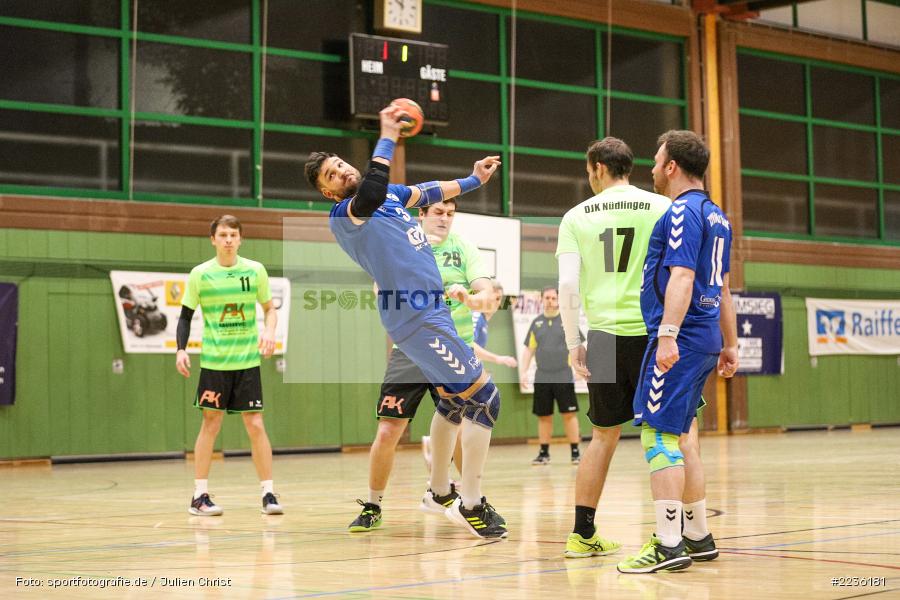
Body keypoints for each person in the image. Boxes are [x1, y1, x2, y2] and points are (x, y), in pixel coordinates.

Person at [304, 103, 507, 539]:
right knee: (486, 400)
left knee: (454, 404)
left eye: (340, 165)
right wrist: (387, 133)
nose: (341, 172)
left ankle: (438, 493)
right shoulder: (347, 214)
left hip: (432, 314)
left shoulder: (392, 196)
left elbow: (433, 191)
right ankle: (470, 502)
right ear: (328, 192)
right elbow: (374, 189)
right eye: (331, 176)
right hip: (414, 317)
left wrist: (475, 179)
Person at [617, 130, 738, 573]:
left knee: (657, 436)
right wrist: (729, 343)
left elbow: (684, 277)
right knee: (684, 436)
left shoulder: (683, 213)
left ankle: (668, 546)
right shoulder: (717, 216)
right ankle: (698, 536)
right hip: (705, 338)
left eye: (655, 159)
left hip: (680, 339)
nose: (650, 167)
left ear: (671, 167)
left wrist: (667, 334)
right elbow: (723, 288)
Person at [345, 196, 497, 533]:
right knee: (388, 429)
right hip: (412, 347)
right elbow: (378, 288)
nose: (445, 219)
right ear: (422, 214)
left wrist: (472, 299)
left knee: (462, 420)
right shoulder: (402, 243)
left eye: (450, 214)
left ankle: (463, 497)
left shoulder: (464, 248)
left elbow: (487, 294)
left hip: (453, 348)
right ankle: (373, 504)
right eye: (439, 212)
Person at [557, 137, 670, 558]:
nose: (589, 178)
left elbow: (567, 284)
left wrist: (574, 342)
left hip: (603, 335)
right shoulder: (661, 207)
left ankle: (582, 534)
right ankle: (675, 533)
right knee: (675, 432)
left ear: (600, 167)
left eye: (589, 170)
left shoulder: (575, 216)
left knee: (603, 436)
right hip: (654, 334)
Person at [175, 214, 283, 516]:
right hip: (214, 363)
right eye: (222, 235)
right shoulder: (200, 274)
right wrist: (181, 350)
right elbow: (185, 317)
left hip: (247, 361)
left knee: (256, 424)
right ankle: (199, 495)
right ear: (213, 239)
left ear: (240, 239)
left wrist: (270, 331)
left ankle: (269, 493)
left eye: (233, 235)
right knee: (211, 424)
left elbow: (269, 310)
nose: (228, 240)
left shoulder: (255, 271)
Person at [519, 286, 582, 465]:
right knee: (544, 415)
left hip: (563, 374)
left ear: (559, 300)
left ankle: (575, 452)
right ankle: (544, 453)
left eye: (553, 298)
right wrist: (523, 372)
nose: (550, 301)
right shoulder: (536, 323)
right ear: (541, 300)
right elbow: (529, 350)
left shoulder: (567, 322)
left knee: (569, 415)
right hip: (542, 376)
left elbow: (578, 347)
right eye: (547, 298)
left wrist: (579, 368)